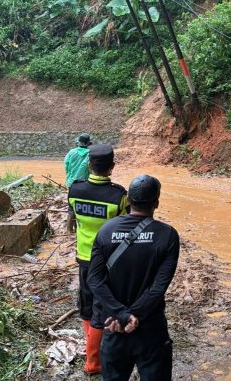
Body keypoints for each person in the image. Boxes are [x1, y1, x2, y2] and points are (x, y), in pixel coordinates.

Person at [87, 175, 180, 381]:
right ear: (157, 202)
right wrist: (133, 316)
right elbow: (158, 287)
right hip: (150, 329)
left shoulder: (105, 231)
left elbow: (94, 280)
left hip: (114, 325)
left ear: (128, 199)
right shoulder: (167, 235)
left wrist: (120, 314)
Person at [67, 143, 128, 374]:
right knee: (101, 307)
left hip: (84, 256)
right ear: (112, 167)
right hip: (109, 260)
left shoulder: (75, 190)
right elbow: (125, 229)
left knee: (86, 306)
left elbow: (71, 222)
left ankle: (92, 344)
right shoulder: (119, 196)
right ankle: (94, 362)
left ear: (89, 165)